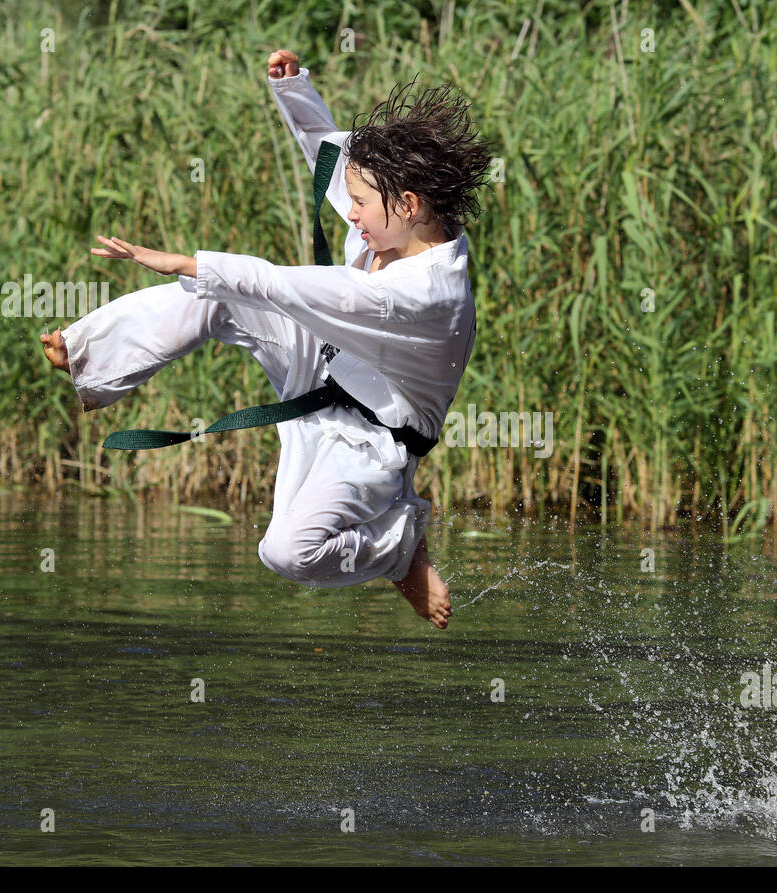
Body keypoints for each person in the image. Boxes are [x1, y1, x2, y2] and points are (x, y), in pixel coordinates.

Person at [39, 49, 493, 629]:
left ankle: (400, 550)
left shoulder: (422, 295)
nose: (350, 215)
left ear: (406, 205)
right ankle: (88, 354)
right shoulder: (402, 227)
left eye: (360, 205)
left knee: (287, 552)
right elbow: (334, 162)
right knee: (224, 296)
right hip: (326, 370)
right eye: (352, 202)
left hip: (372, 443)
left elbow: (283, 285)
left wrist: (183, 259)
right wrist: (296, 91)